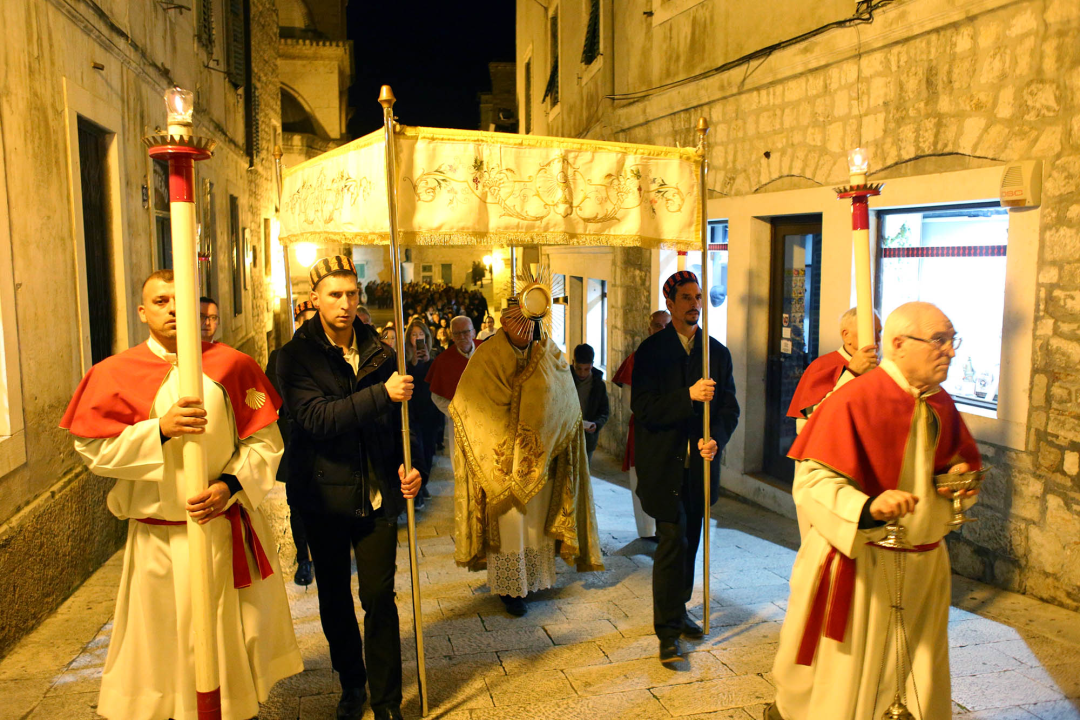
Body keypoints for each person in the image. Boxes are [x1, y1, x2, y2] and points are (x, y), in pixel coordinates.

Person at [61, 270, 302, 720]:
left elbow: (266, 442)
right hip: (158, 543)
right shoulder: (115, 373)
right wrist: (159, 431)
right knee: (161, 650)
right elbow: (92, 449)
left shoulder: (232, 365)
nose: (172, 309)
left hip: (218, 531)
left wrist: (229, 485)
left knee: (227, 646)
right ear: (142, 311)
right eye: (160, 301)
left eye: (181, 300)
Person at [766, 302, 982, 720]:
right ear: (898, 345)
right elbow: (811, 481)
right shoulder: (855, 399)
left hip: (923, 565)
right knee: (848, 684)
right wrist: (866, 507)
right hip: (864, 562)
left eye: (952, 340)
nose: (951, 351)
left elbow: (957, 469)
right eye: (939, 340)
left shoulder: (940, 404)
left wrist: (957, 481)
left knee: (917, 671)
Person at [275, 256, 423, 720]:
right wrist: (382, 393)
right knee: (335, 597)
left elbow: (406, 426)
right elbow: (317, 418)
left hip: (377, 495)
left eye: (352, 294)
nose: (344, 304)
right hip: (323, 498)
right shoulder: (294, 357)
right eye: (334, 295)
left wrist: (411, 466)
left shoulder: (381, 352)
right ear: (315, 298)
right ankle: (353, 684)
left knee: (379, 597)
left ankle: (387, 702)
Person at [451, 269, 604, 617]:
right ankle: (510, 588)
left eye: (529, 322)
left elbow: (566, 403)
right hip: (502, 460)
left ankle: (532, 578)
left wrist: (549, 434)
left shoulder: (550, 353)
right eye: (515, 320)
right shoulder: (487, 356)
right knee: (511, 527)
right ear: (506, 320)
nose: (521, 328)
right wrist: (509, 445)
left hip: (541, 458)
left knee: (533, 528)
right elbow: (471, 405)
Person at [632, 271, 740, 665]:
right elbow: (642, 408)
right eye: (687, 297)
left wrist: (718, 439)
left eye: (698, 297)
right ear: (671, 303)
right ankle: (666, 633)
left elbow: (729, 409)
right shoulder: (651, 352)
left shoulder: (717, 354)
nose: (695, 303)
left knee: (691, 542)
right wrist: (688, 396)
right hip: (664, 467)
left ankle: (679, 612)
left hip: (700, 469)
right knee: (672, 543)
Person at [265, 300, 318, 586]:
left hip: (326, 443)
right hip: (296, 442)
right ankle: (304, 558)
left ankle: (327, 553)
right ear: (297, 322)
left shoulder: (334, 355)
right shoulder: (280, 356)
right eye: (305, 320)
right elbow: (269, 397)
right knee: (297, 504)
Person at [612, 310, 670, 541]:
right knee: (642, 482)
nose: (661, 331)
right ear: (649, 329)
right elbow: (630, 401)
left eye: (666, 326)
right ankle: (647, 530)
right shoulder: (637, 358)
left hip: (670, 430)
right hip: (644, 428)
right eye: (657, 326)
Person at [787, 307, 881, 434]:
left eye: (879, 332)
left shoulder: (882, 367)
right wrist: (852, 373)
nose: (878, 339)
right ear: (846, 335)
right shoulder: (822, 365)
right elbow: (806, 425)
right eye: (870, 332)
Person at [405, 318, 440, 506]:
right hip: (413, 412)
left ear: (426, 337)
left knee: (428, 450)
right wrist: (416, 362)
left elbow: (436, 381)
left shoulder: (433, 357)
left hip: (430, 411)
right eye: (414, 334)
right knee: (416, 449)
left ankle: (423, 483)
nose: (417, 338)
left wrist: (428, 361)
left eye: (421, 334)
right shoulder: (404, 359)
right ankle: (419, 488)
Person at [572, 343, 610, 464]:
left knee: (584, 474)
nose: (582, 373)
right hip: (567, 437)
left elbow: (604, 411)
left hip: (588, 439)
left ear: (592, 365)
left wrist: (596, 424)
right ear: (573, 363)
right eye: (578, 368)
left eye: (586, 369)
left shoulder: (599, 386)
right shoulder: (565, 380)